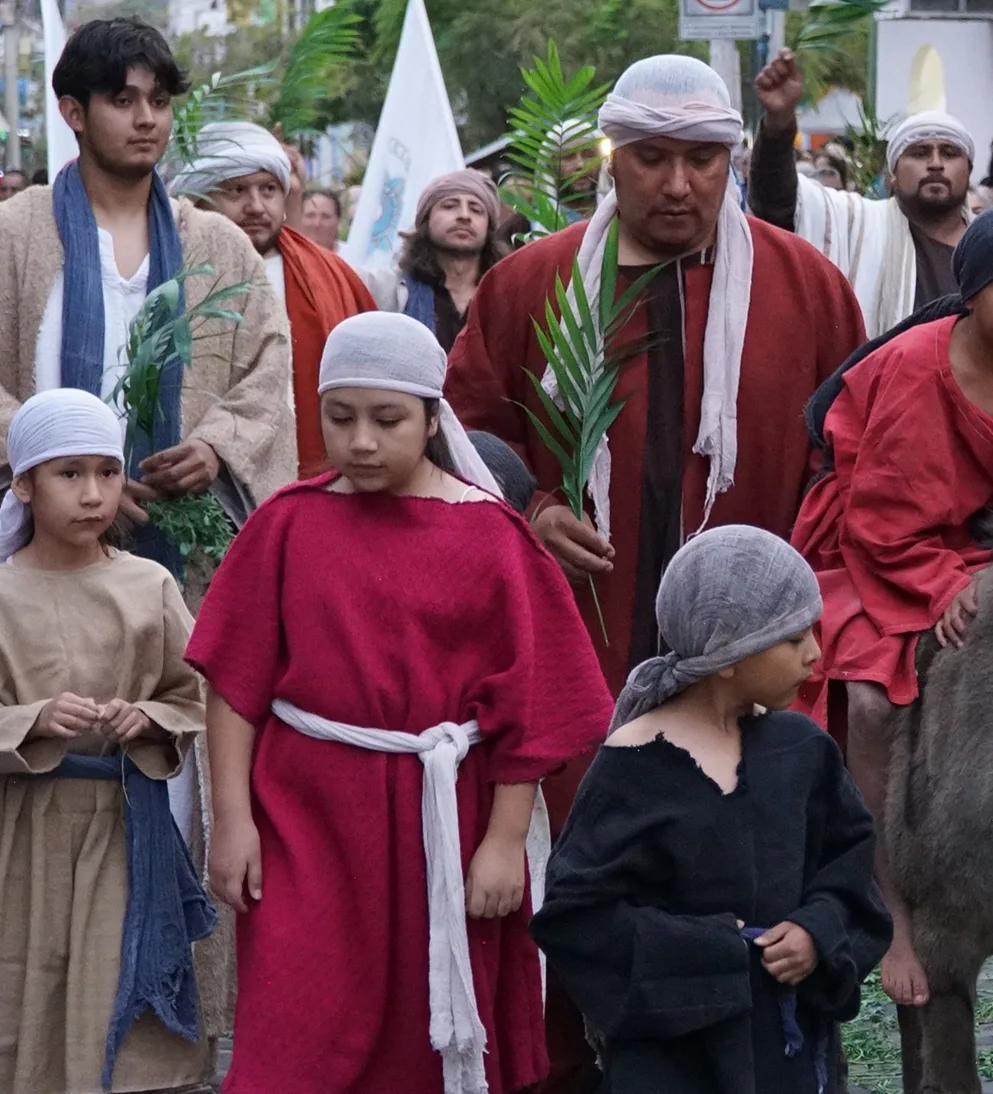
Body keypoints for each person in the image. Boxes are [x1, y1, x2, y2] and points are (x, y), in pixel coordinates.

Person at [442, 54, 866, 1087]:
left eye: (702, 160)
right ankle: (573, 1066)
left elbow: (851, 462)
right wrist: (535, 508)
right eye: (652, 158)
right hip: (583, 641)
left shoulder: (807, 286)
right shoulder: (533, 284)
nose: (679, 183)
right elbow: (462, 440)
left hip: (756, 663)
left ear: (731, 163)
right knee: (588, 866)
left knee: (755, 860)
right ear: (611, 160)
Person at [187, 311, 612, 1092]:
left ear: (432, 418)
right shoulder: (285, 525)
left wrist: (503, 842)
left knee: (424, 1029)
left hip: (443, 821)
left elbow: (532, 710)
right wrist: (233, 820)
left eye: (388, 420)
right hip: (306, 818)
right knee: (295, 1018)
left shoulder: (493, 537)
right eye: (339, 417)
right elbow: (235, 687)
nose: (361, 442)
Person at [0, 18, 294, 635]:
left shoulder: (219, 245)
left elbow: (268, 367)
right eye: (123, 101)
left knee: (175, 686)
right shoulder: (5, 237)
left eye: (159, 101)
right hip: (31, 548)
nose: (147, 119)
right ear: (73, 111)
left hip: (180, 541)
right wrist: (63, 470)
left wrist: (216, 447)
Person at [788, 204, 993, 1004]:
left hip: (983, 553)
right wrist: (945, 585)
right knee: (873, 700)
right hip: (871, 549)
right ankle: (893, 905)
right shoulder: (918, 367)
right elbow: (879, 519)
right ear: (973, 289)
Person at [0, 388, 216, 1092]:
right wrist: (32, 720)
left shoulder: (148, 585)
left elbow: (196, 692)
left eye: (108, 473)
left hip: (124, 826)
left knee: (112, 963)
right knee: (20, 964)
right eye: (69, 474)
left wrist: (146, 717)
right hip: (24, 827)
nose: (93, 494)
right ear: (24, 484)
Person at [534, 526, 891, 1092]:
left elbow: (848, 868)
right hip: (675, 1064)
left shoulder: (802, 750)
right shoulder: (635, 766)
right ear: (728, 652)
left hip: (789, 1055)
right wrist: (716, 954)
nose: (815, 653)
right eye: (794, 637)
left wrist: (816, 932)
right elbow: (577, 920)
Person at [750, 51, 993, 385]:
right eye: (919, 153)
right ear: (892, 175)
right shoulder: (858, 223)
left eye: (949, 153)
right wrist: (779, 125)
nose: (935, 163)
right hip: (877, 414)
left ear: (968, 171)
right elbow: (780, 204)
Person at [177, 121, 379, 477]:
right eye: (237, 190)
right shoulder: (170, 273)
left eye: (269, 189)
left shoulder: (330, 273)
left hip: (313, 475)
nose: (256, 206)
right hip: (198, 476)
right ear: (199, 198)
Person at [362, 168, 503, 348]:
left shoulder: (507, 298)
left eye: (476, 210)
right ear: (426, 220)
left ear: (489, 227)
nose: (464, 216)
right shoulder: (384, 290)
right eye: (449, 206)